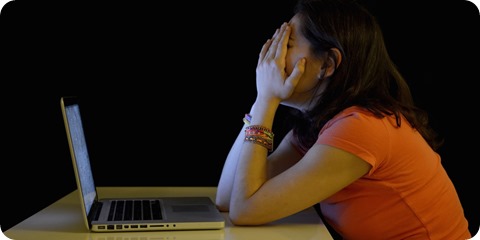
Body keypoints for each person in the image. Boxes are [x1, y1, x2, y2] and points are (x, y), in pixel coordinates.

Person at [215, 0, 471, 239]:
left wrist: (266, 101)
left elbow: (244, 209)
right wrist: (261, 101)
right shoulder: (320, 125)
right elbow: (228, 198)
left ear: (327, 64)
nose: (270, 56)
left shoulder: (360, 128)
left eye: (286, 44)